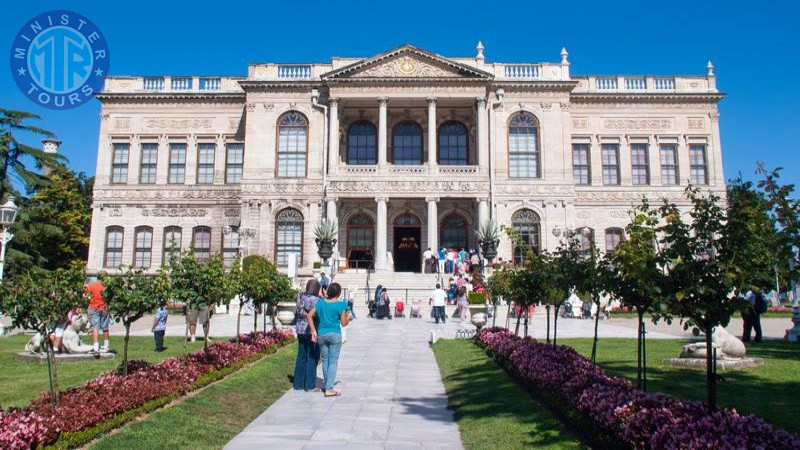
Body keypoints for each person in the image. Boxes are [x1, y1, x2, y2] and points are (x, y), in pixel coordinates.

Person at [307, 282, 350, 397]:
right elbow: (344, 323)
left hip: (322, 334)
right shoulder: (341, 305)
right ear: (339, 293)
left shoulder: (320, 303)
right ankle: (329, 388)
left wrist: (313, 330)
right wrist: (349, 317)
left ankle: (327, 385)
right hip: (335, 334)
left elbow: (309, 315)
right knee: (333, 361)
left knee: (325, 360)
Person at [293, 279, 322, 391]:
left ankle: (298, 384)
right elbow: (318, 314)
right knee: (312, 356)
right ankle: (310, 385)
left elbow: (296, 312)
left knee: (301, 356)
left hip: (300, 330)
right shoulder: (317, 300)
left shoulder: (300, 297)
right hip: (311, 330)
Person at [85, 277, 111, 353]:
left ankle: (96, 347)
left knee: (95, 327)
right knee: (105, 327)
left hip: (94, 308)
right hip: (104, 308)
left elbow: (86, 296)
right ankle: (106, 346)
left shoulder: (91, 286)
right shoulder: (106, 286)